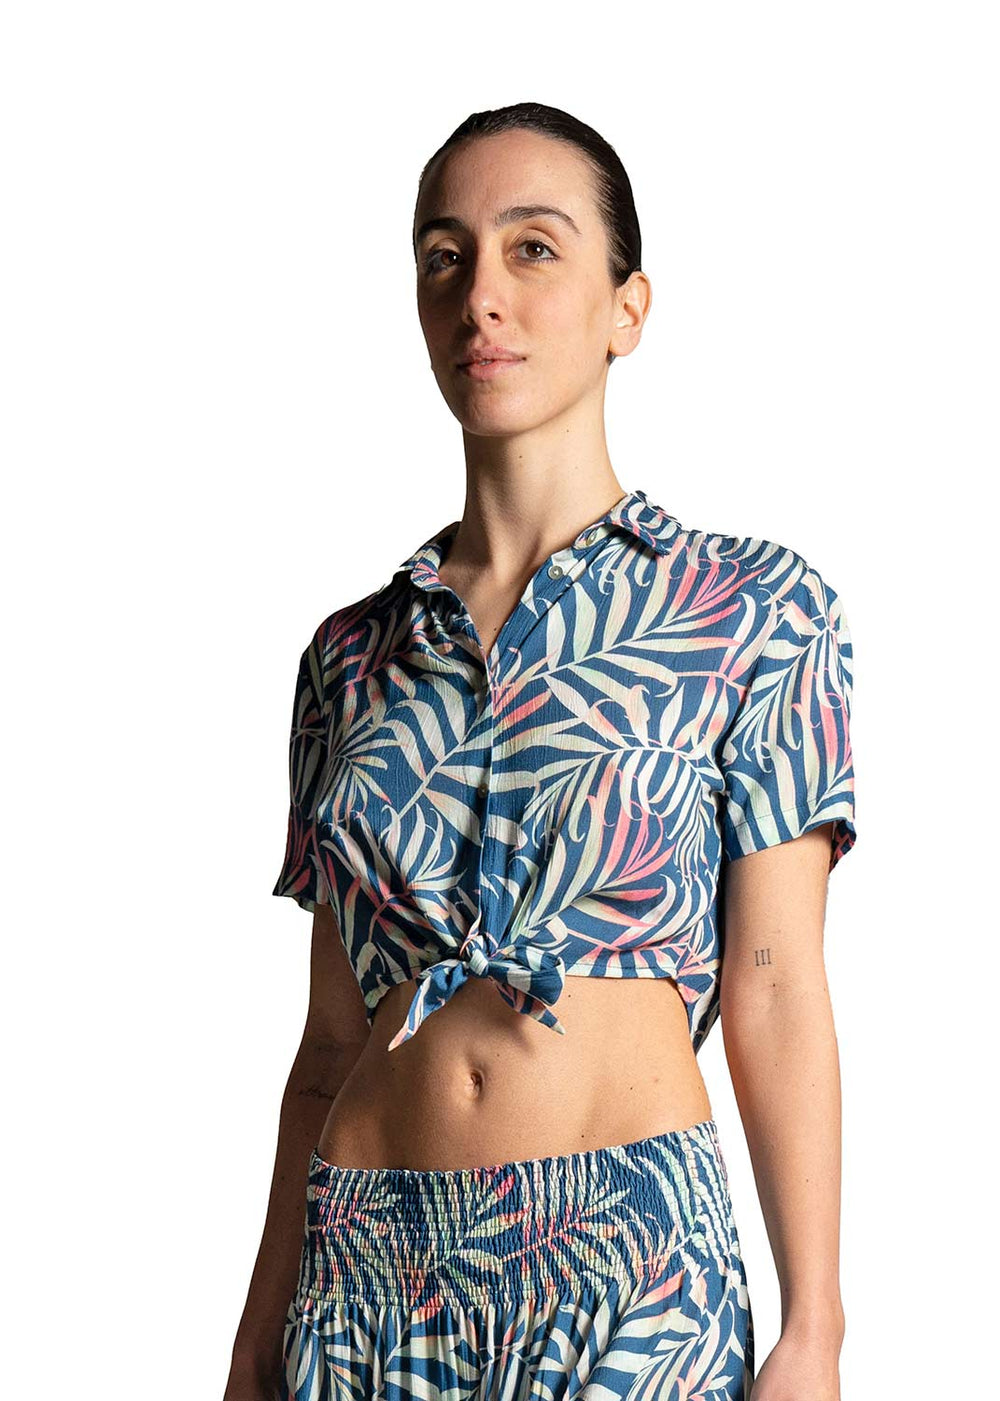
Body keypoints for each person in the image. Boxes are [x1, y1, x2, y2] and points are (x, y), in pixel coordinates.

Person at [225, 102, 856, 1401]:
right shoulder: (348, 657)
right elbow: (328, 1042)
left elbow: (778, 984)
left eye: (534, 248)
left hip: (627, 1263)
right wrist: (252, 1342)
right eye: (445, 255)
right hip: (365, 1279)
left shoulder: (752, 608)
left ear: (628, 308)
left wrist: (814, 1330)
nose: (482, 296)